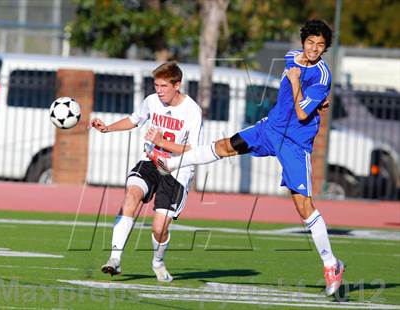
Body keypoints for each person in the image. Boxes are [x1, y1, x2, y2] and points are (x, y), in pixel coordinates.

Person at [145, 19, 345, 295]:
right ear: (303, 42)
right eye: (310, 43)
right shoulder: (290, 56)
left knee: (303, 207)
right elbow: (297, 93)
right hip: (270, 128)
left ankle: (331, 264)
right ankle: (171, 162)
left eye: (320, 45)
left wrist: (300, 84)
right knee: (226, 146)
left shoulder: (323, 76)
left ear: (325, 49)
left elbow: (301, 113)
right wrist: (313, 96)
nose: (314, 49)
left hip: (295, 143)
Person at [91, 61, 203, 282]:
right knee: (131, 195)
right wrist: (107, 128)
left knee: (159, 228)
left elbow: (192, 150)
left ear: (177, 85)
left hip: (176, 170)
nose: (158, 91)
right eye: (156, 85)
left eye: (163, 86)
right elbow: (135, 120)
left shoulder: (192, 111)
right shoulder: (151, 101)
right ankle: (114, 259)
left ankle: (158, 262)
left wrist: (162, 140)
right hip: (150, 162)